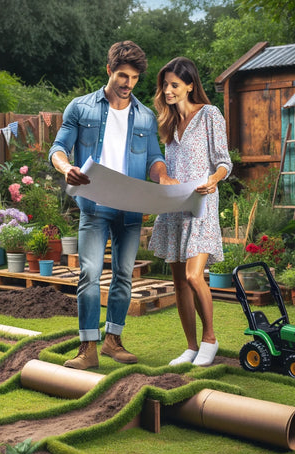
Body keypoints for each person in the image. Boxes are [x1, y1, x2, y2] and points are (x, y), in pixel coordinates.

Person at [49, 41, 175, 370]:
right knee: (89, 274)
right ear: (109, 70)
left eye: (133, 78)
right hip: (94, 204)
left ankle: (112, 341)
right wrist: (66, 169)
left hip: (131, 208)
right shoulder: (80, 108)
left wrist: (162, 176)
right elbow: (58, 148)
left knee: (123, 276)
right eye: (122, 76)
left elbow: (154, 158)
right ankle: (87, 348)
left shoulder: (145, 116)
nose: (127, 84)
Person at [149, 57, 233, 367]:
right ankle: (190, 346)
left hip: (201, 204)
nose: (167, 90)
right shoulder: (167, 123)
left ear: (189, 85)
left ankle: (210, 338)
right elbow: (166, 168)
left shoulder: (209, 114)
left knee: (194, 276)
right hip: (175, 207)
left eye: (173, 85)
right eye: (165, 85)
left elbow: (225, 162)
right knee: (179, 282)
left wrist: (213, 180)